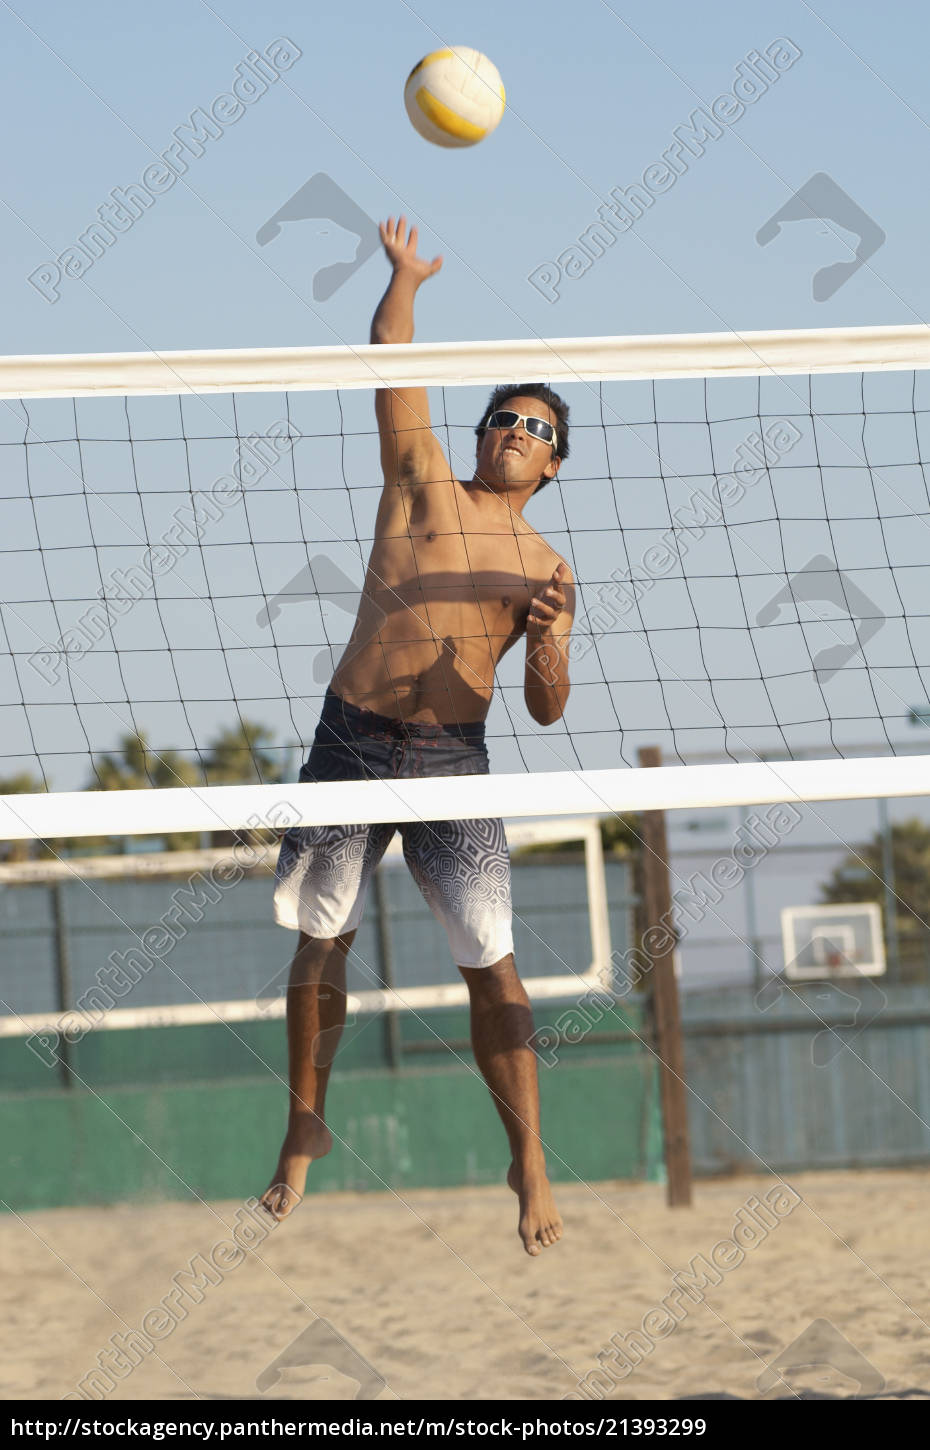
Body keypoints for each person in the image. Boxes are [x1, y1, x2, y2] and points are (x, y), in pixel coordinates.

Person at [261, 217, 575, 1256]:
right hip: (350, 742)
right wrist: (405, 280)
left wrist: (550, 643)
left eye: (532, 427)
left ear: (553, 463)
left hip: (450, 761)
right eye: (501, 417)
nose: (510, 432)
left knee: (494, 967)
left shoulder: (546, 567)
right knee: (319, 946)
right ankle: (304, 1127)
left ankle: (527, 1153)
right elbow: (390, 357)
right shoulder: (424, 480)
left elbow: (546, 707)